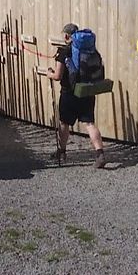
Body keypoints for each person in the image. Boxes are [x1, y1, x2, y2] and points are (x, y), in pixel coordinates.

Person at [46, 23, 106, 168]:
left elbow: (58, 76)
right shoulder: (90, 49)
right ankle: (100, 154)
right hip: (87, 91)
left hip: (69, 94)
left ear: (67, 36)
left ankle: (62, 150)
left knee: (64, 123)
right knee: (89, 124)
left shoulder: (63, 51)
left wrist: (49, 74)